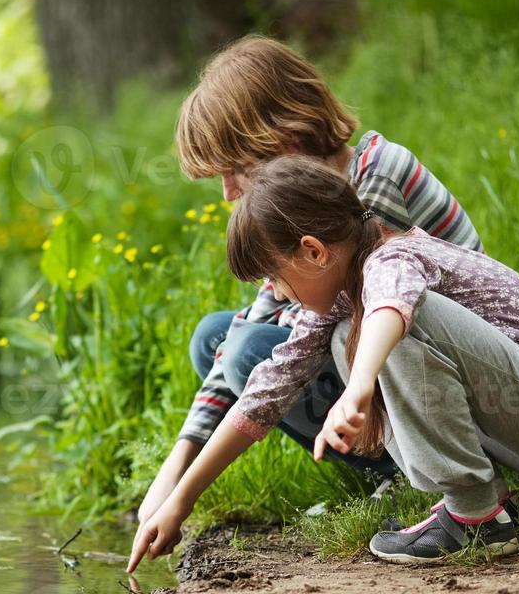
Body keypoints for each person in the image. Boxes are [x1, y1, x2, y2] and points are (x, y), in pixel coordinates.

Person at [127, 156, 519, 570]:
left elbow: (391, 311)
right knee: (345, 336)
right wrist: (181, 499)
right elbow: (265, 394)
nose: (274, 293)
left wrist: (359, 388)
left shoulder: (392, 257)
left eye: (274, 278)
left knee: (386, 329)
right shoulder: (341, 294)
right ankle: (488, 505)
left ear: (313, 252)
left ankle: (476, 516)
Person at [137, 35, 485, 540]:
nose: (229, 191)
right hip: (391, 364)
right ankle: (396, 471)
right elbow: (256, 317)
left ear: (285, 145)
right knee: (217, 338)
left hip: (455, 379)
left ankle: (426, 475)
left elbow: (301, 343)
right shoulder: (300, 204)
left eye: (236, 169)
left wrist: (186, 495)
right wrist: (173, 470)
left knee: (251, 352)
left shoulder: (372, 181)